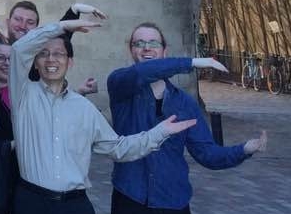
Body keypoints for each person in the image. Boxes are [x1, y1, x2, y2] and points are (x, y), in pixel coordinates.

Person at [9, 11, 198, 214]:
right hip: (32, 202)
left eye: (59, 54)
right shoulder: (23, 95)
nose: (51, 59)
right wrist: (62, 26)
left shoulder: (84, 108)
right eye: (43, 54)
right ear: (35, 63)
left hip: (74, 205)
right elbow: (19, 49)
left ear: (70, 62)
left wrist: (159, 132)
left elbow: (117, 148)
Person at [108, 22, 267, 214]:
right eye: (139, 43)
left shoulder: (184, 103)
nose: (146, 48)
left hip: (173, 200)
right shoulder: (120, 85)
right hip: (131, 197)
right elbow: (142, 72)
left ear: (165, 51)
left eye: (153, 43)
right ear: (131, 50)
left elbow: (206, 153)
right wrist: (192, 62)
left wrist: (244, 149)